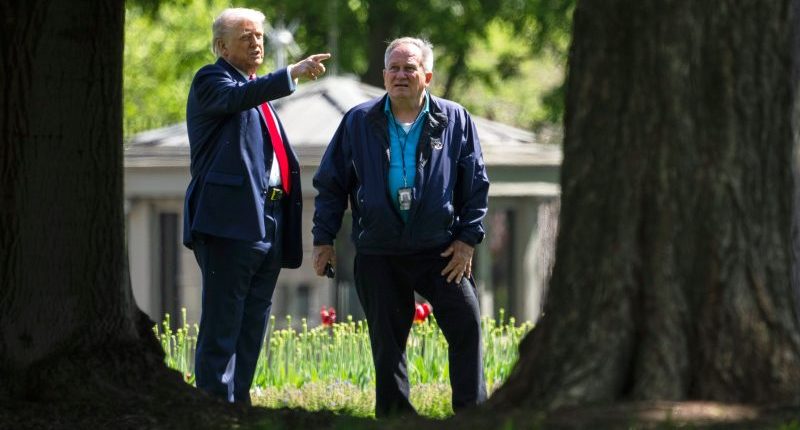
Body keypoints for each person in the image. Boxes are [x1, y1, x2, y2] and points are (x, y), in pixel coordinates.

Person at [311, 37, 489, 417]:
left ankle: (473, 416)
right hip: (379, 250)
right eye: (394, 68)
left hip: (440, 249)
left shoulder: (455, 119)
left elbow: (475, 185)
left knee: (467, 326)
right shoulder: (359, 121)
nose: (400, 75)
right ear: (384, 75)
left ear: (427, 75)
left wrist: (467, 240)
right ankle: (396, 419)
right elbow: (331, 184)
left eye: (409, 68)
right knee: (387, 343)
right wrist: (322, 239)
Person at [182, 7, 329, 404]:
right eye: (245, 36)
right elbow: (239, 98)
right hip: (229, 224)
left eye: (260, 36)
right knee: (222, 324)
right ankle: (215, 406)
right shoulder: (213, 80)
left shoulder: (255, 91)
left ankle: (239, 405)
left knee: (252, 325)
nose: (257, 42)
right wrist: (291, 74)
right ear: (221, 45)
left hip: (268, 222)